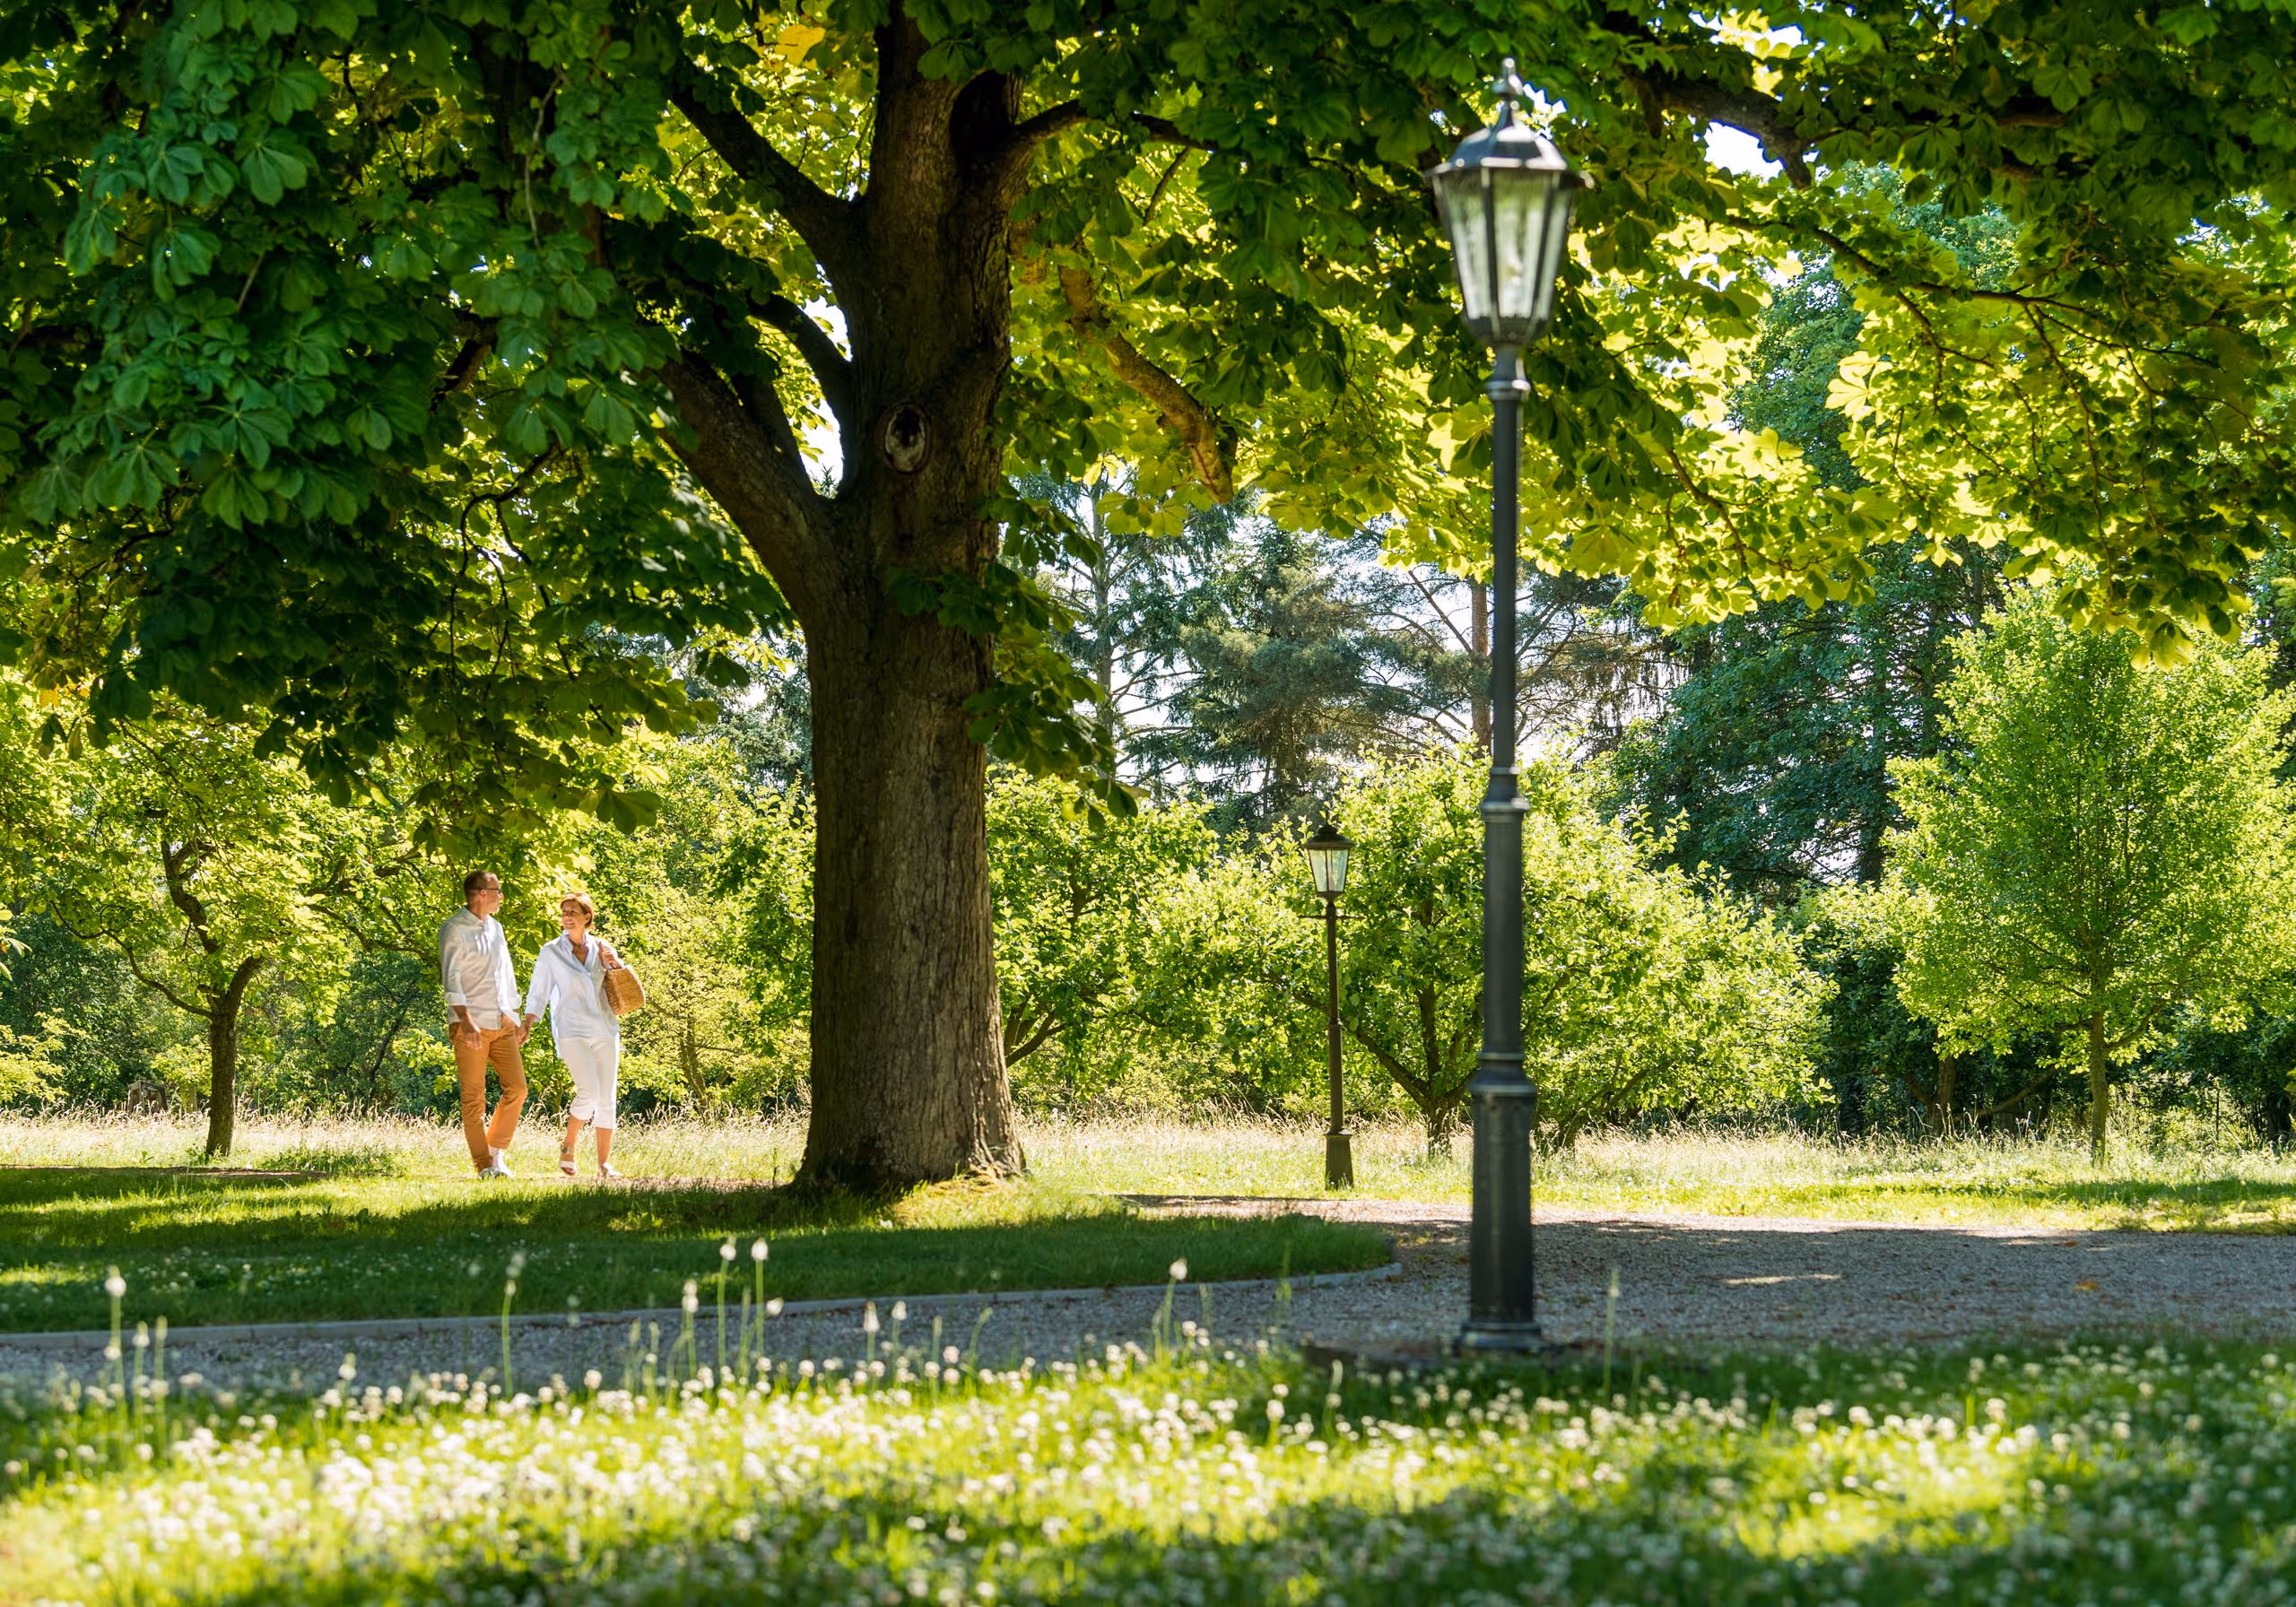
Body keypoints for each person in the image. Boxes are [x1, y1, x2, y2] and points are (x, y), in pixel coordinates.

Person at [523, 892, 627, 1179]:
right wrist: (529, 1022)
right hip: (572, 1031)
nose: (567, 916)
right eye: (564, 911)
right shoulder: (551, 951)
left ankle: (604, 1165)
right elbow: (539, 990)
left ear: (587, 917)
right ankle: (569, 1143)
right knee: (589, 1092)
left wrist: (615, 962)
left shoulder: (601, 947)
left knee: (606, 1098)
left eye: (573, 911)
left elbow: (621, 983)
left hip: (605, 1029)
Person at [438, 870, 528, 1178]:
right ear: (479, 894)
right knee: (474, 1099)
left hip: (502, 1024)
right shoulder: (454, 929)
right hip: (470, 1026)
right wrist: (465, 1021)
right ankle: (484, 1165)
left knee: (518, 1089)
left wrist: (514, 1016)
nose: (501, 896)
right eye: (496, 890)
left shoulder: (497, 929)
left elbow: (506, 975)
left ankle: (496, 1152)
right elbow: (451, 978)